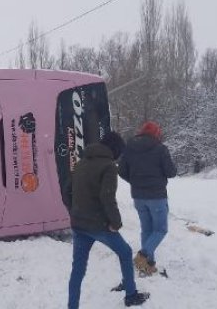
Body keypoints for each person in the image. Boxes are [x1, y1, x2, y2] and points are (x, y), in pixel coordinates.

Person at [63, 131, 149, 308]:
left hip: (79, 224)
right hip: (98, 225)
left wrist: (74, 211)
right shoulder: (108, 166)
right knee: (125, 252)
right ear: (115, 149)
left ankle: (72, 306)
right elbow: (107, 197)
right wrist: (115, 223)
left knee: (78, 269)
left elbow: (66, 191)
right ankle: (131, 294)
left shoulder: (81, 162)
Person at [118, 121, 177, 276]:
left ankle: (148, 265)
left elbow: (121, 170)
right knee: (160, 229)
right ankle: (143, 256)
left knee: (147, 229)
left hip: (138, 196)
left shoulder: (129, 147)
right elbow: (171, 172)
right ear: (156, 133)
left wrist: (136, 181)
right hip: (156, 196)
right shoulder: (160, 149)